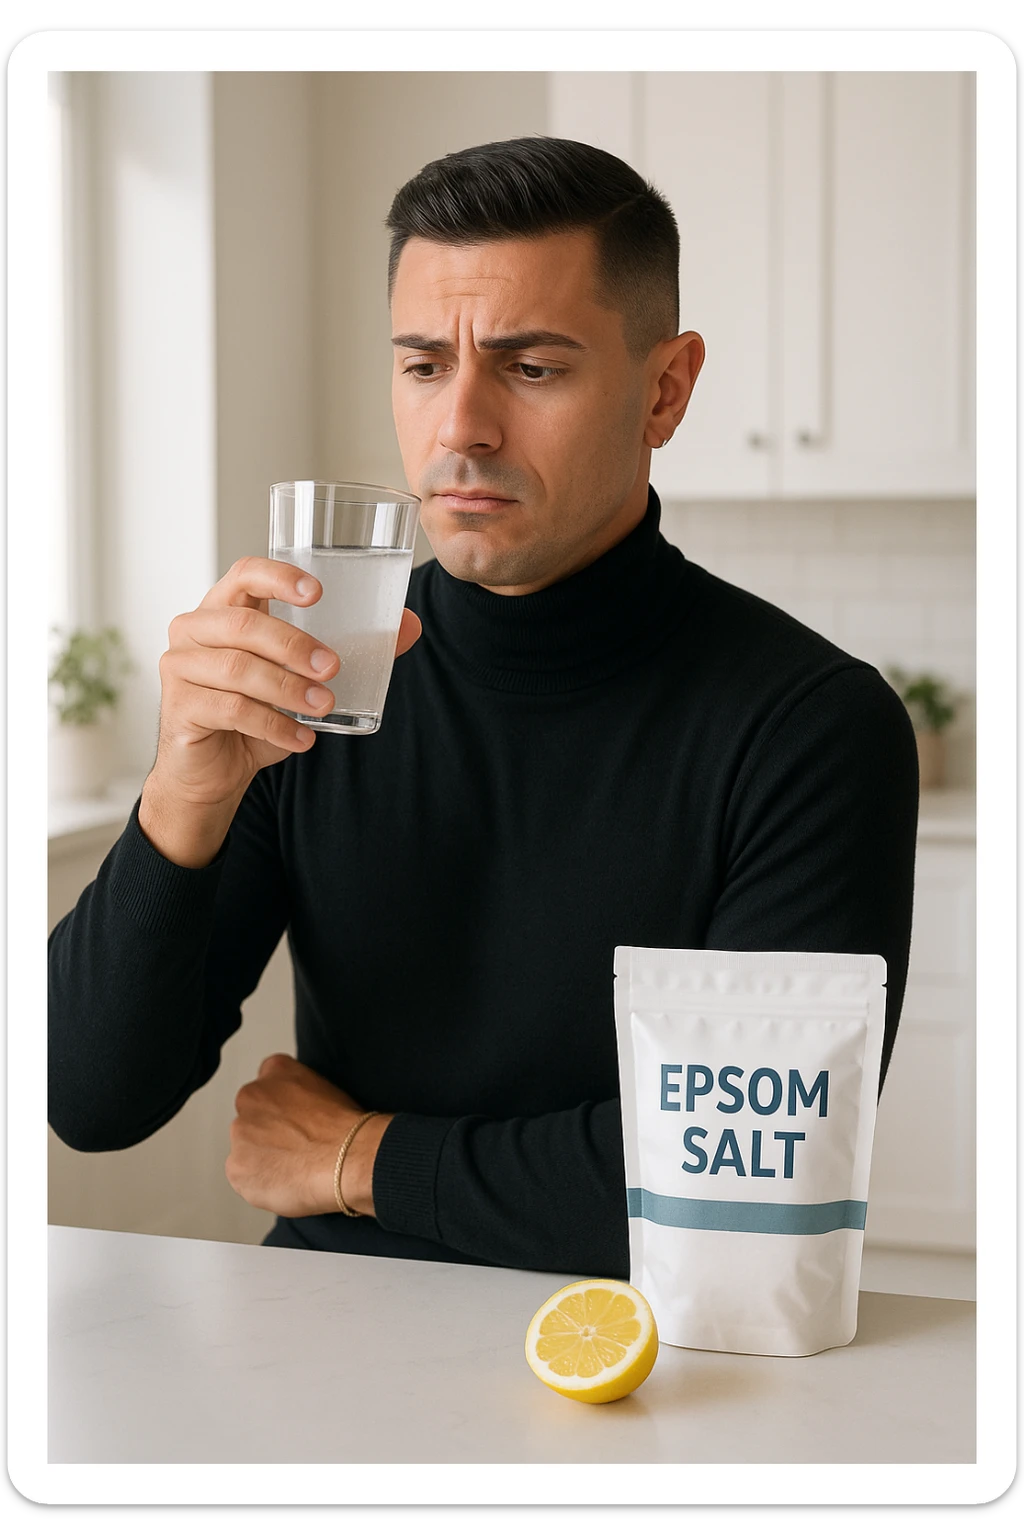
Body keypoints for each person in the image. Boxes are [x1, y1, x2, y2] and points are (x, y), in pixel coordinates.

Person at [48, 137, 919, 1277]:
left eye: (532, 368)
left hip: (637, 1350)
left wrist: (358, 1159)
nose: (460, 427)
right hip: (326, 1325)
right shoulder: (318, 684)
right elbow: (90, 1101)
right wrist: (181, 799)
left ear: (665, 389)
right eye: (421, 366)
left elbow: (747, 1182)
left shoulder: (811, 726)